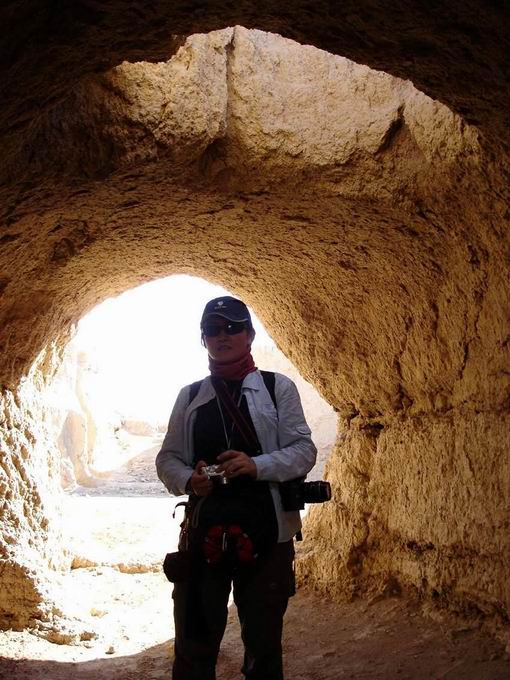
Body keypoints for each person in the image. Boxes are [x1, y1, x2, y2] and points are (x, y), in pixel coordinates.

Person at [156, 295, 317, 680]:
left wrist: (256, 465)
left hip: (268, 534)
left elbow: (303, 450)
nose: (223, 335)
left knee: (263, 648)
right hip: (204, 534)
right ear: (203, 338)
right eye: (213, 329)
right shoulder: (190, 396)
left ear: (249, 335)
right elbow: (168, 459)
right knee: (193, 647)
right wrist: (189, 480)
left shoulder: (277, 388)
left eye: (233, 327)